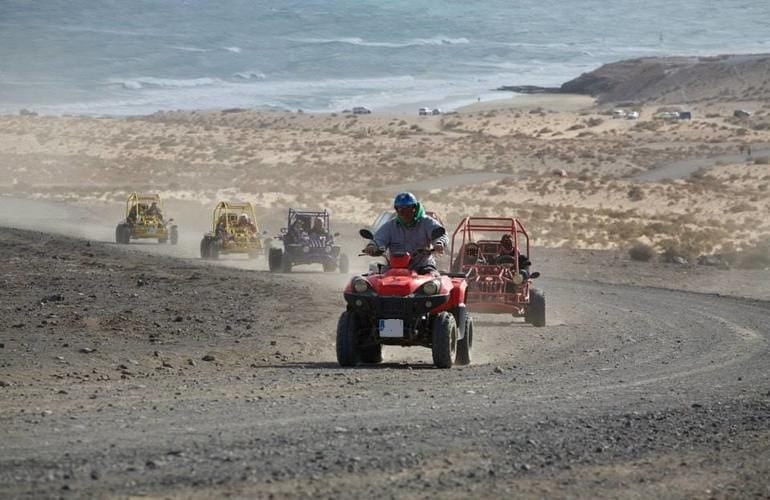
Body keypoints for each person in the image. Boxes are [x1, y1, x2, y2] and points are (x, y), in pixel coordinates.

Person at [363, 192, 448, 274]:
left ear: (414, 208)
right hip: (394, 268)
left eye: (407, 209)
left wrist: (439, 243)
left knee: (434, 282)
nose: (403, 213)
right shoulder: (390, 226)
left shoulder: (427, 222)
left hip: (422, 266)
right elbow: (379, 239)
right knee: (368, 282)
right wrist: (372, 246)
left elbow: (440, 233)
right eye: (399, 209)